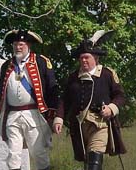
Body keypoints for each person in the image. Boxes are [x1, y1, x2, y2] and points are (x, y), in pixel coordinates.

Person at [53, 30, 126, 170]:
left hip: (100, 125)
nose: (83, 60)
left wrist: (111, 108)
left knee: (94, 162)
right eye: (81, 58)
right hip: (80, 126)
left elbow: (120, 96)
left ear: (96, 58)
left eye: (87, 57)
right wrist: (59, 118)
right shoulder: (73, 77)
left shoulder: (107, 74)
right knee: (87, 162)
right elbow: (64, 100)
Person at [0, 29, 59, 170]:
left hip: (33, 115)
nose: (18, 47)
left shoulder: (41, 62)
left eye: (21, 45)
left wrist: (53, 114)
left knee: (38, 153)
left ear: (28, 45)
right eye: (15, 44)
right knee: (13, 154)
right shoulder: (6, 66)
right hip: (12, 115)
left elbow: (52, 88)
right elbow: (1, 92)